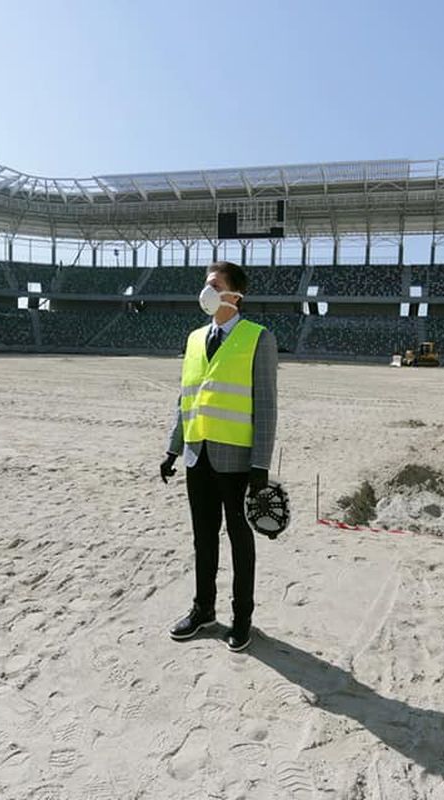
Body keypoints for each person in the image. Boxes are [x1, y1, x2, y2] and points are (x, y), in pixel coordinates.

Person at [160, 261, 278, 652]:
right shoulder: (195, 339)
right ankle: (203, 610)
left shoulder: (258, 338)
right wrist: (173, 448)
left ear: (234, 294)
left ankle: (242, 619)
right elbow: (187, 399)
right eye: (205, 284)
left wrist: (260, 465)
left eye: (213, 284)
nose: (205, 291)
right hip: (198, 457)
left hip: (238, 461)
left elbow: (266, 408)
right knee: (203, 539)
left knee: (241, 541)